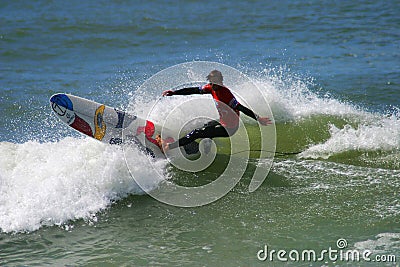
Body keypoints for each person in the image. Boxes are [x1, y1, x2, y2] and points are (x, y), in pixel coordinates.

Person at [161, 70, 272, 152]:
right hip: (222, 121)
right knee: (207, 125)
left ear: (220, 81)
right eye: (211, 82)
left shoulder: (226, 94)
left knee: (197, 132)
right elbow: (193, 90)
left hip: (230, 128)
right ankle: (205, 148)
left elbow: (241, 108)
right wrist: (174, 92)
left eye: (215, 83)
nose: (213, 85)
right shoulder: (211, 88)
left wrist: (258, 118)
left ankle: (168, 147)